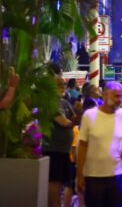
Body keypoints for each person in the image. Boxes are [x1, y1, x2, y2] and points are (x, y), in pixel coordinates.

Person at [77, 81, 122, 207]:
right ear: (105, 95)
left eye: (121, 96)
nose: (120, 100)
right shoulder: (89, 115)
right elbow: (83, 146)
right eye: (116, 96)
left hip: (117, 175)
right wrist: (79, 175)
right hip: (93, 176)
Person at [44, 75, 77, 207]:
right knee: (54, 181)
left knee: (60, 183)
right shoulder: (50, 102)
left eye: (64, 84)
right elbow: (64, 122)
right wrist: (74, 120)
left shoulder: (64, 102)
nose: (63, 87)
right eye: (59, 84)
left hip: (64, 149)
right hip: (53, 148)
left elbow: (74, 118)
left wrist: (76, 117)